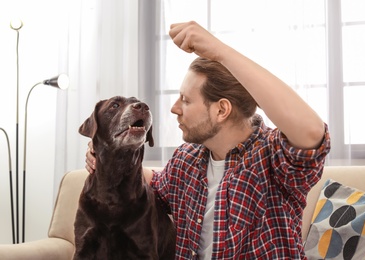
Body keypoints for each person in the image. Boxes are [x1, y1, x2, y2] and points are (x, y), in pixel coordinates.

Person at [85, 21, 331, 259]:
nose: (174, 108)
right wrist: (106, 156)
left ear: (221, 110)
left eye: (186, 100)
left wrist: (221, 52)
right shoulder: (186, 160)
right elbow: (153, 183)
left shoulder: (272, 156)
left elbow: (311, 131)